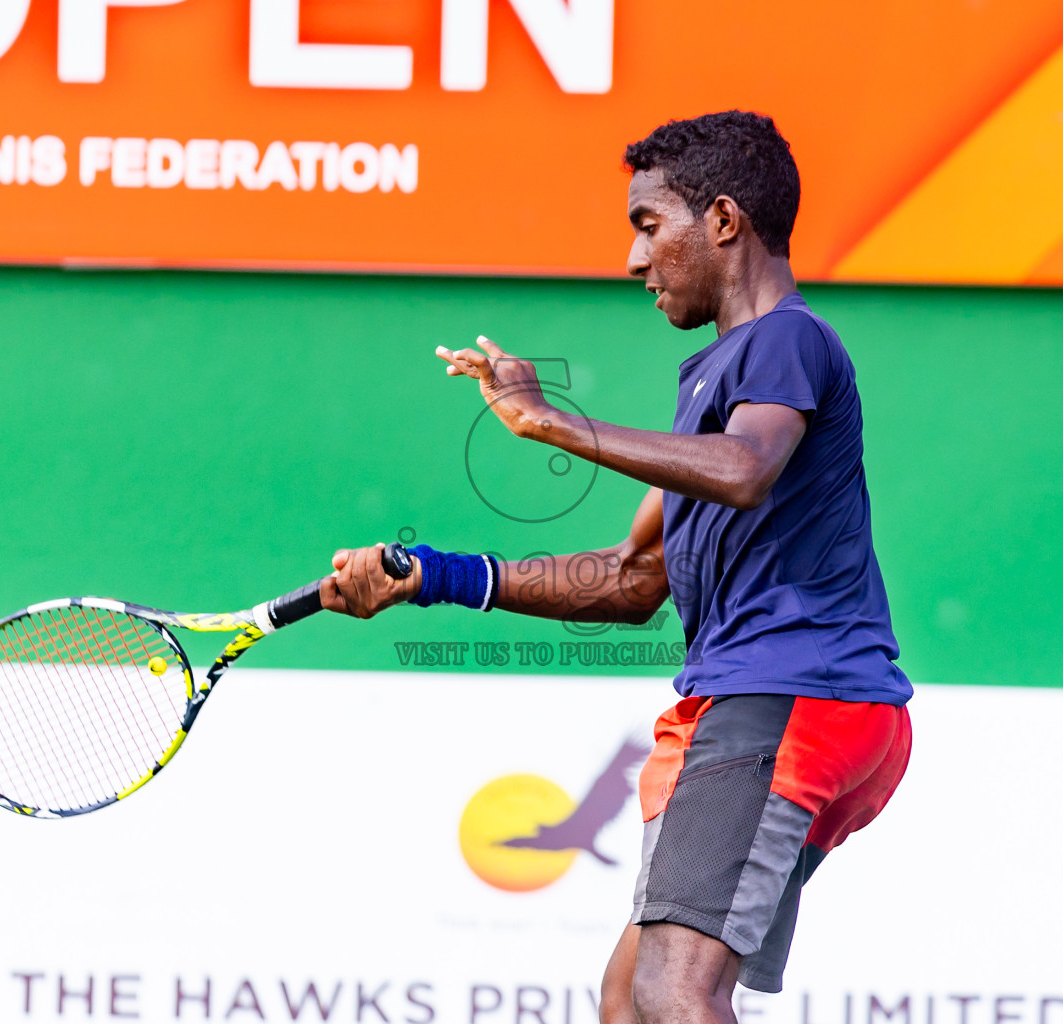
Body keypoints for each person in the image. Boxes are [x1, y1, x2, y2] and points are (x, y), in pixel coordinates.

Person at [320, 111, 913, 1024]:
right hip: (781, 704)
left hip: (787, 697)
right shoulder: (718, 379)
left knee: (678, 992)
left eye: (647, 225)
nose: (635, 261)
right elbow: (635, 579)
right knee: (631, 1000)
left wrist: (549, 422)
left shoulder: (787, 340)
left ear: (722, 221)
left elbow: (746, 471)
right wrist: (430, 575)